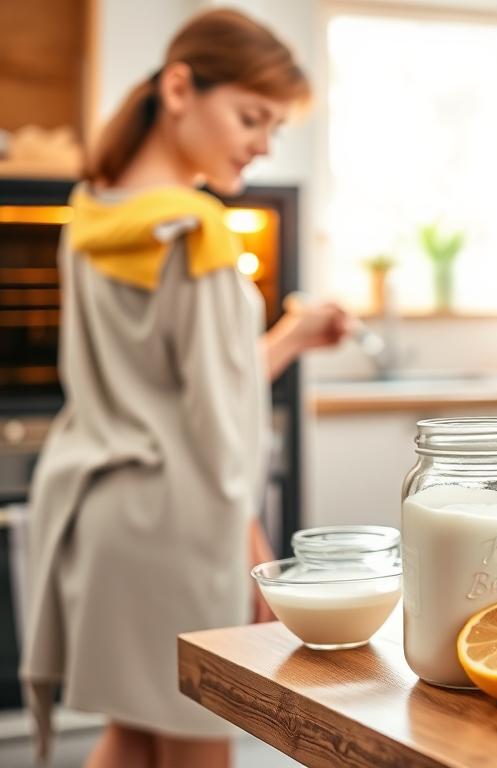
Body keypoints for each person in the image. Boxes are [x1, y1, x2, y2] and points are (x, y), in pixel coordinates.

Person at [18, 9, 348, 768]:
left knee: (131, 736)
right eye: (250, 117)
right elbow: (218, 420)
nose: (263, 143)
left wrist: (291, 337)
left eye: (273, 127)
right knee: (200, 741)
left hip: (101, 522)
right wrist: (250, 539)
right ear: (178, 88)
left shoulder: (90, 210)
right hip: (175, 528)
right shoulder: (196, 231)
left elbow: (181, 388)